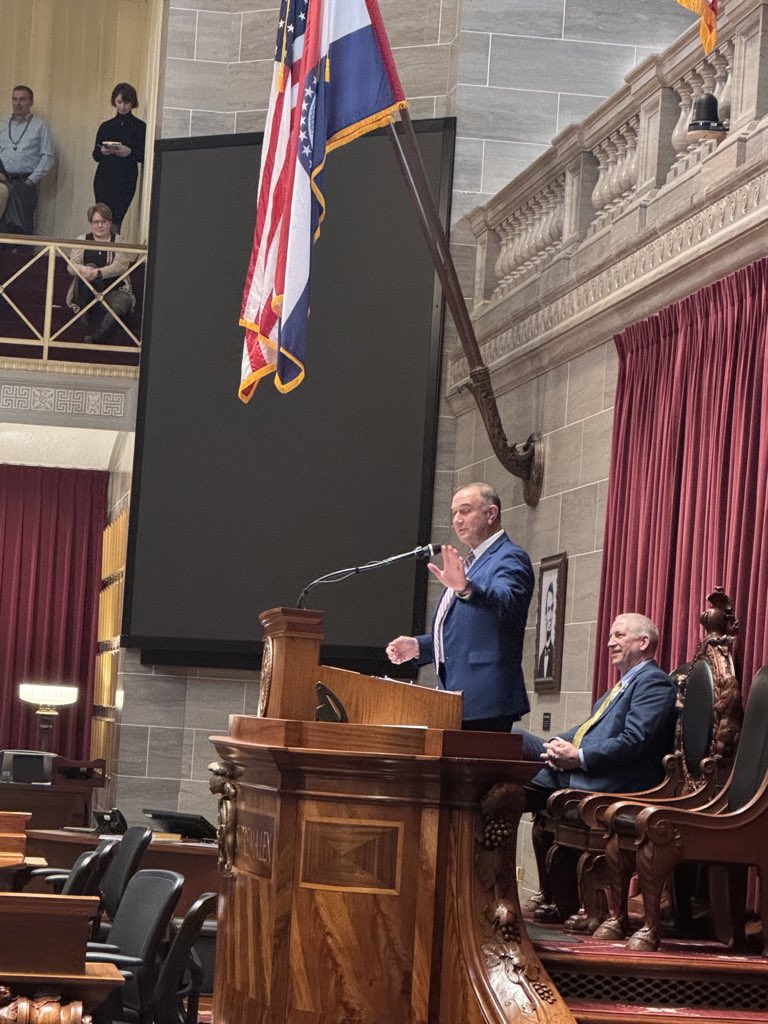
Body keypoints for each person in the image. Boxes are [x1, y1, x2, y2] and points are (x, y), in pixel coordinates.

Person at [386, 482, 534, 731]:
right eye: (454, 513)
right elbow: (468, 633)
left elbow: (506, 603)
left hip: (486, 701)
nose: (457, 520)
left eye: (465, 511)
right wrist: (421, 646)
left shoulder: (509, 556)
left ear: (491, 514)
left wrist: (466, 588)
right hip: (456, 697)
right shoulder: (470, 563)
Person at [521, 613, 677, 809]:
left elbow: (634, 740)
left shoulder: (654, 682)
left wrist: (579, 757)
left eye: (619, 635)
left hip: (604, 779)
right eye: (610, 636)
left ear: (643, 642)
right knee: (510, 735)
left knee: (504, 781)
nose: (610, 643)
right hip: (581, 766)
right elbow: (589, 726)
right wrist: (557, 742)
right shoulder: (624, 683)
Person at [66, 203, 135, 344]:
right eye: (96, 222)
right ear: (91, 223)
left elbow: (121, 266)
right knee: (88, 267)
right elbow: (71, 266)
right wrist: (84, 270)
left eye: (104, 222)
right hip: (86, 291)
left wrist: (99, 272)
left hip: (113, 289)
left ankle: (98, 336)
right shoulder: (82, 240)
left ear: (110, 223)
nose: (100, 225)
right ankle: (84, 313)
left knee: (123, 302)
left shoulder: (119, 240)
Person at [0, 86, 55, 234]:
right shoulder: (3, 124)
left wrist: (31, 180)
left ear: (31, 102)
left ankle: (24, 251)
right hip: (3, 183)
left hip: (25, 183)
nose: (18, 103)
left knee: (23, 227)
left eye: (23, 99)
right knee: (2, 226)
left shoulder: (39, 126)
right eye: (15, 99)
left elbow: (48, 156)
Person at [92, 83, 146, 230]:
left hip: (126, 178)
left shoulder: (140, 127)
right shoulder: (106, 126)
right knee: (102, 217)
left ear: (133, 103)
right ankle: (102, 244)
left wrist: (130, 152)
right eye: (119, 102)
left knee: (116, 219)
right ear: (114, 102)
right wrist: (103, 152)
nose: (123, 107)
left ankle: (113, 243)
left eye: (127, 102)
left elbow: (145, 156)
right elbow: (95, 155)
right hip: (105, 177)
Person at [537, 580, 555, 678]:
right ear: (544, 613)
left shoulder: (554, 653)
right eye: (548, 609)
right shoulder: (540, 657)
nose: (550, 616)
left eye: (552, 609)